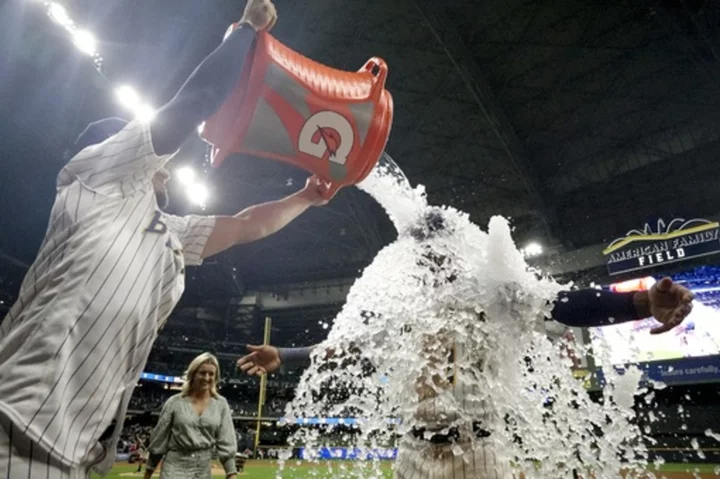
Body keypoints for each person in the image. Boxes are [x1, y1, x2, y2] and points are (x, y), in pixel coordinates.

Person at [0, 0, 320, 476]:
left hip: (77, 451)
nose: (164, 163)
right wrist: (246, 31)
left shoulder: (168, 231)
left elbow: (248, 224)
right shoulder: (96, 178)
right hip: (15, 424)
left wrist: (307, 197)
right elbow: (192, 104)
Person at [237, 211, 694, 478]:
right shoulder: (409, 305)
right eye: (420, 253)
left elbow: (563, 304)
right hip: (413, 452)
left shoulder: (499, 292)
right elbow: (351, 345)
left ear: (457, 249)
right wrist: (287, 356)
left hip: (474, 452)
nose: (428, 260)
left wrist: (639, 303)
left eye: (435, 250)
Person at [143, 353, 236, 479]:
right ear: (193, 374)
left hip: (203, 471)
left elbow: (227, 440)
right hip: (174, 469)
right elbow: (160, 438)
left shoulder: (221, 404)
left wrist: (231, 473)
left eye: (211, 374)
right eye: (202, 373)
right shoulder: (174, 402)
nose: (206, 378)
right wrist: (148, 472)